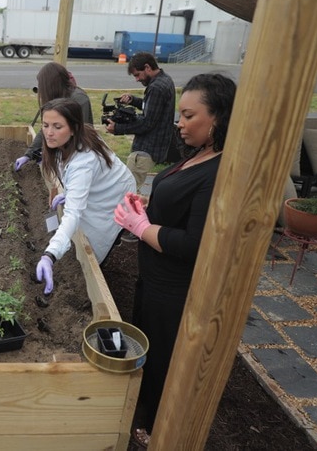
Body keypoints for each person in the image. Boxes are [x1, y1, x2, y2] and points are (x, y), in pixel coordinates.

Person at [113, 73, 236, 449]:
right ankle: (146, 413)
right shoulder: (201, 154)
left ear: (217, 118)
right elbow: (180, 212)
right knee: (151, 352)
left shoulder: (219, 172)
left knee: (165, 361)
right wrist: (149, 207)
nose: (179, 123)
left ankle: (157, 430)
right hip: (154, 281)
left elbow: (193, 243)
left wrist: (139, 226)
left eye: (188, 115)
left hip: (173, 292)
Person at [34, 98, 136, 297]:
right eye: (45, 125)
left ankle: (98, 283)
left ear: (73, 128)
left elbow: (72, 214)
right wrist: (69, 193)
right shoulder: (71, 141)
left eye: (57, 126)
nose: (49, 132)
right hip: (102, 187)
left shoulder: (84, 161)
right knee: (79, 229)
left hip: (113, 197)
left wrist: (50, 254)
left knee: (94, 242)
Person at [105, 52, 176, 192]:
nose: (137, 80)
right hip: (154, 146)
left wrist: (118, 128)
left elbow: (147, 122)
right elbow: (153, 108)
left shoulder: (156, 87)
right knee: (131, 189)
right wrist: (134, 100)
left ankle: (135, 213)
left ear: (147, 67)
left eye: (137, 75)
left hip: (146, 149)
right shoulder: (165, 80)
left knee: (128, 190)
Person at [14, 62, 93, 171]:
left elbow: (82, 134)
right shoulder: (56, 97)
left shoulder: (78, 99)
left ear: (51, 84)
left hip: (78, 153)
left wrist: (55, 156)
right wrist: (29, 154)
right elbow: (47, 129)